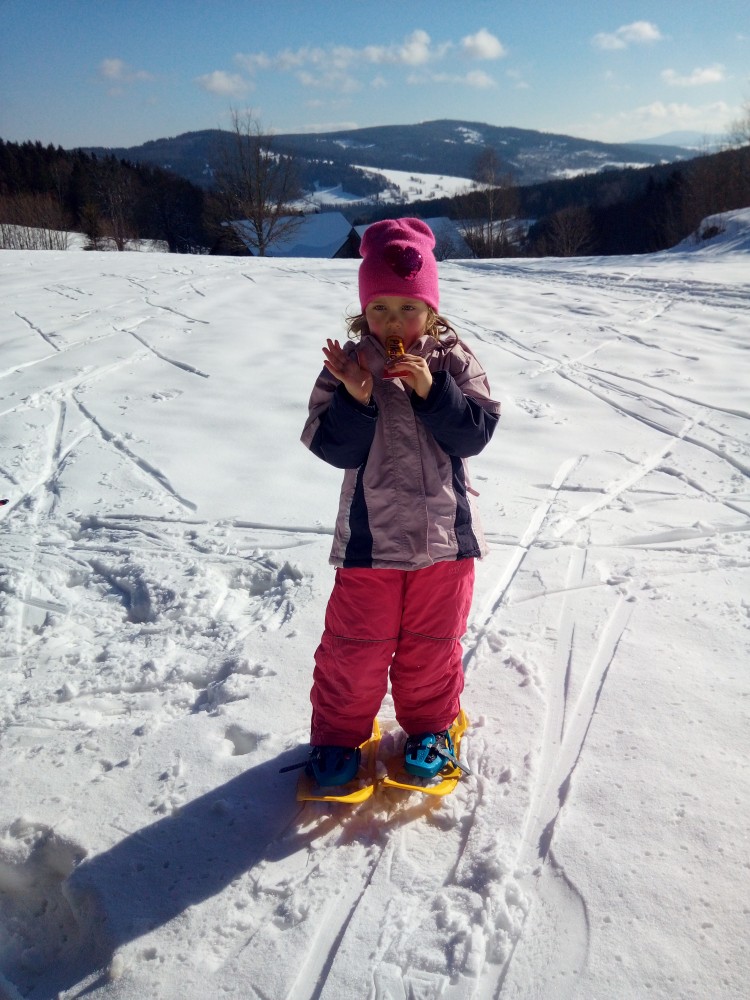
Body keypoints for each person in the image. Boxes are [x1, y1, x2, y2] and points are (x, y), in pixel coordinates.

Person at [300, 218, 500, 786]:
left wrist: (433, 392)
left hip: (445, 539)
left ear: (431, 310)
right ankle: (338, 736)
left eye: (408, 308)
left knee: (431, 645)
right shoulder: (350, 366)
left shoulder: (452, 361)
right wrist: (356, 398)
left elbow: (475, 435)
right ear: (364, 312)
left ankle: (431, 728)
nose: (394, 322)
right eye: (380, 308)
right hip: (371, 541)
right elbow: (331, 446)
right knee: (355, 645)